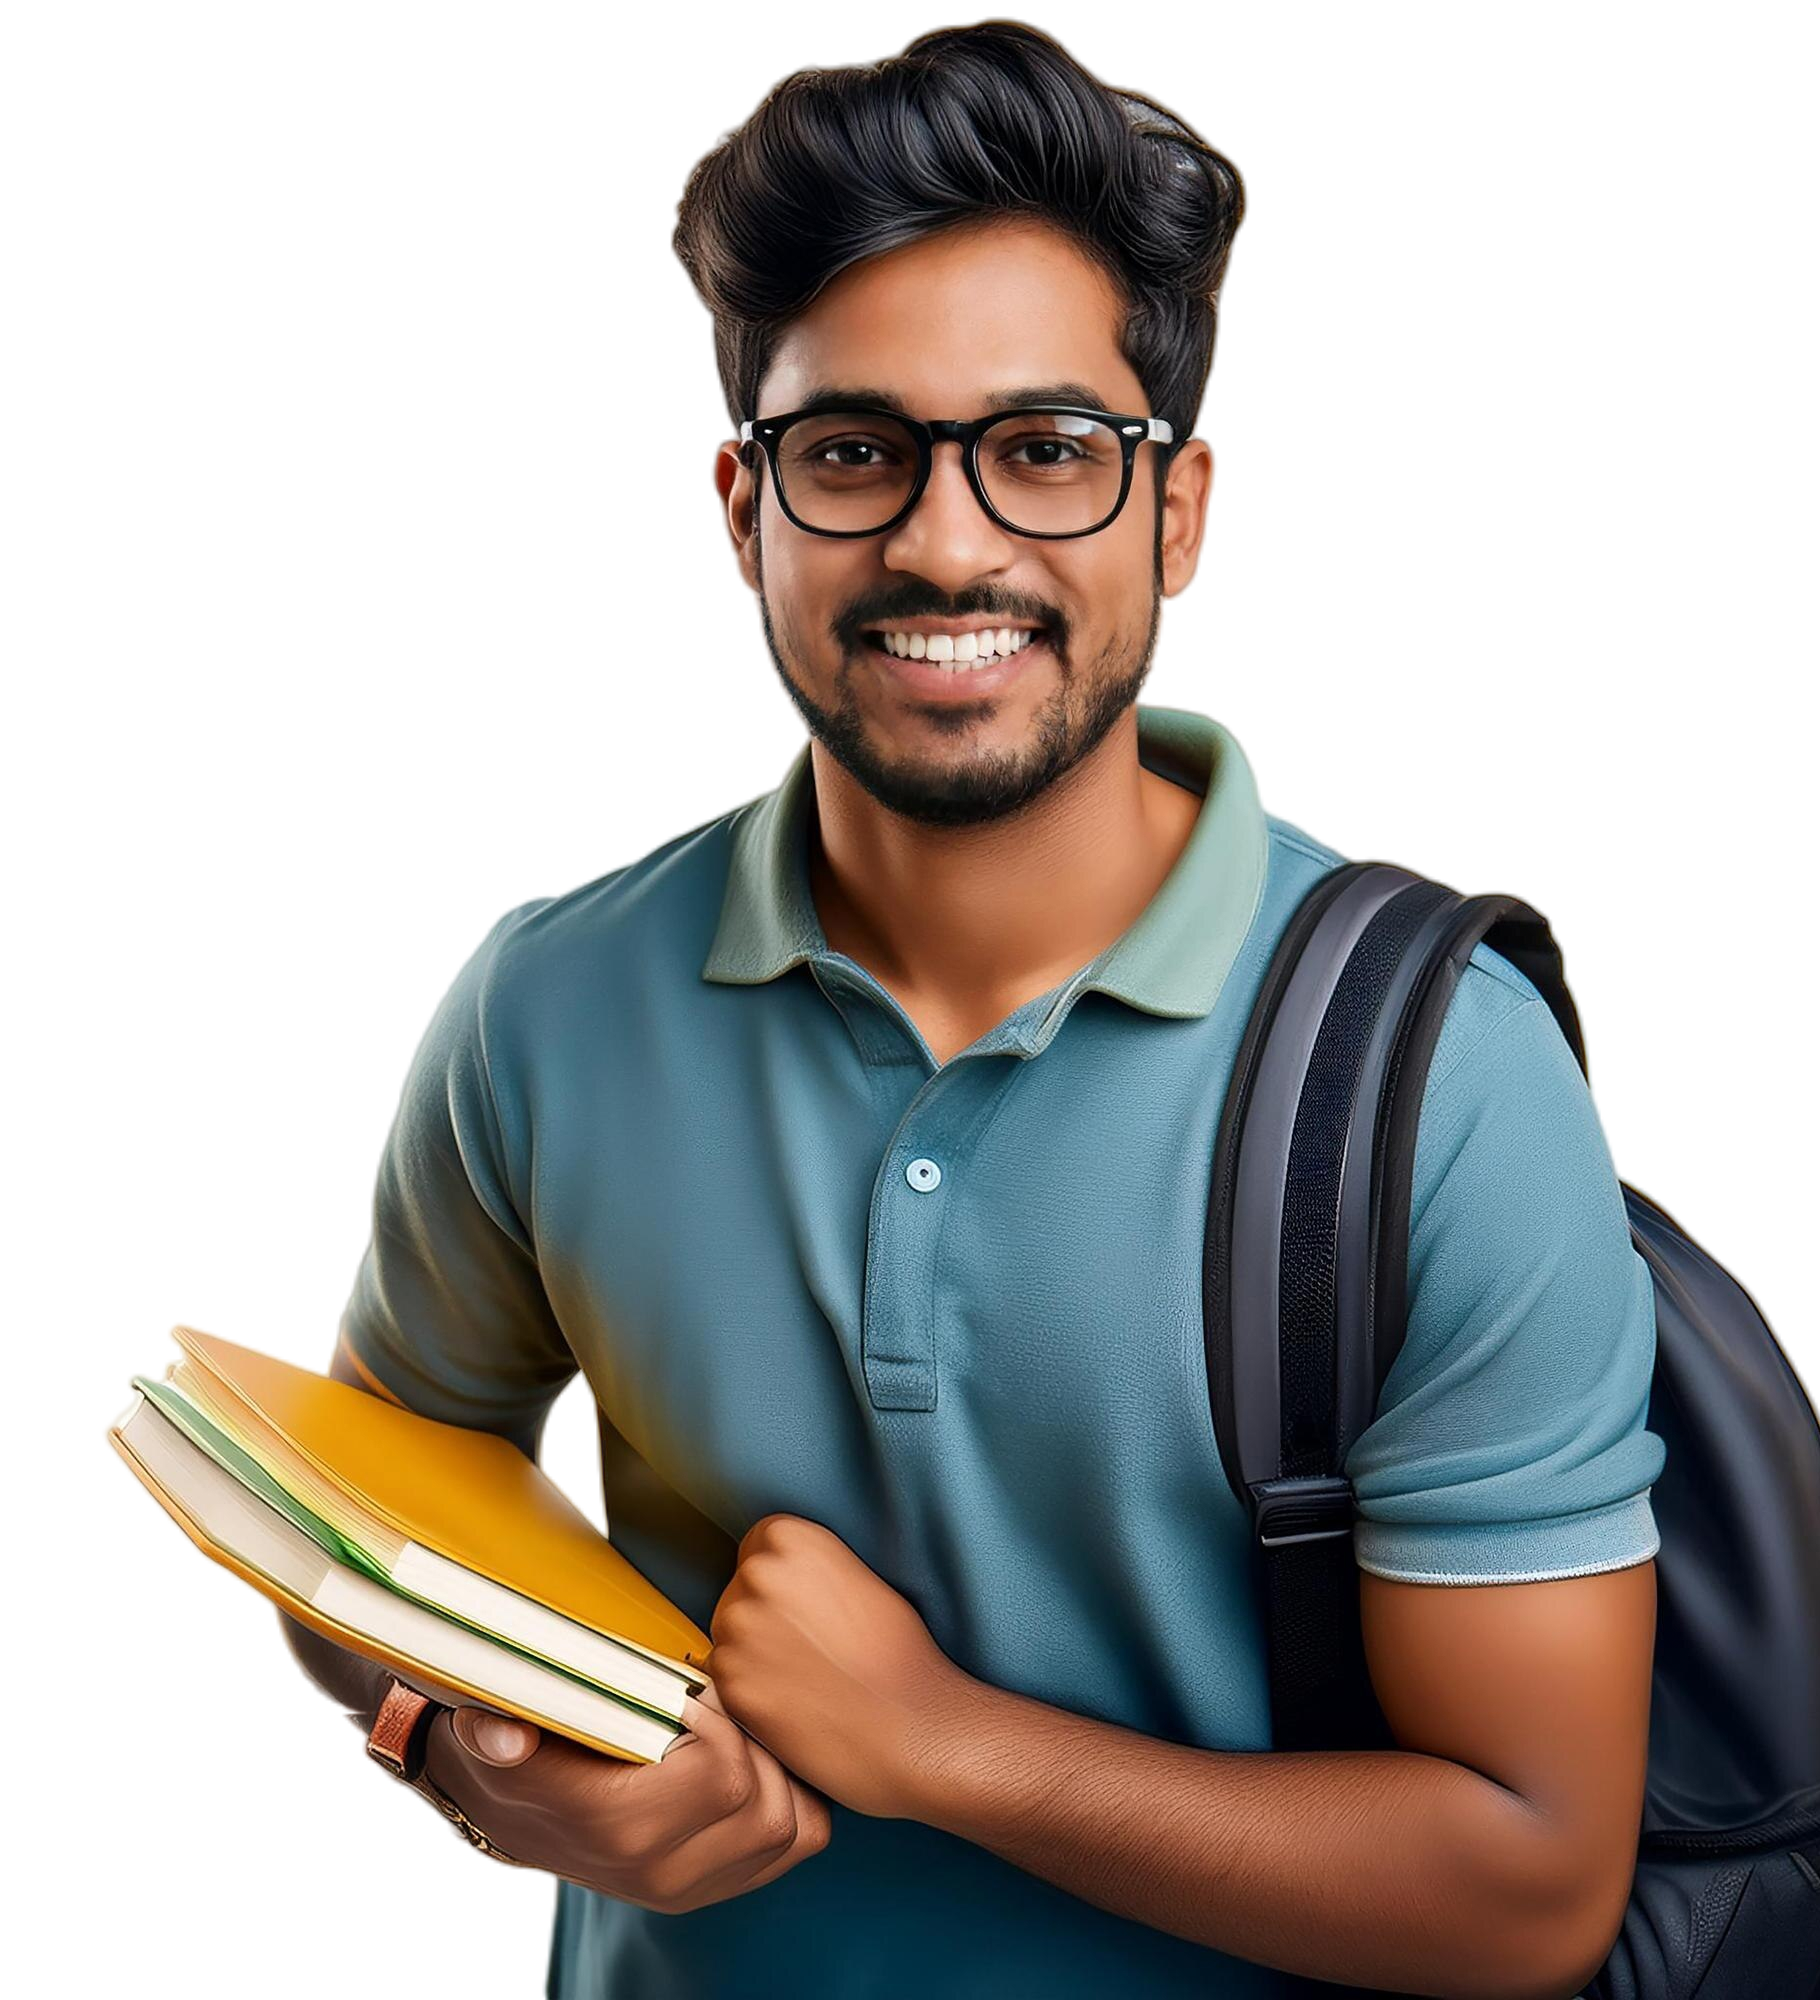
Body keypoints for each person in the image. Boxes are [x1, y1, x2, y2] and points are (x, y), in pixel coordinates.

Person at [272, 24, 1661, 1996]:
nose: (946, 540)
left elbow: (1529, 1880)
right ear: (717, 503)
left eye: (1043, 449)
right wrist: (476, 1763)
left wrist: (941, 1747)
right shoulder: (539, 999)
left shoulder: (1436, 1082)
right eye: (855, 451)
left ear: (1191, 510)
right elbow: (354, 1550)